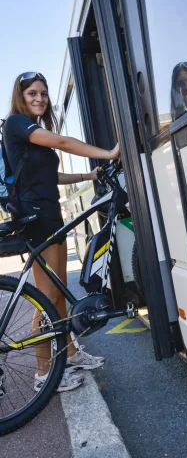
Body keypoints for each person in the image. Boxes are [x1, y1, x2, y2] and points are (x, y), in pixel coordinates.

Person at [2, 72, 120, 392]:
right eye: (32, 94)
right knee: (45, 299)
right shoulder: (16, 124)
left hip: (50, 215)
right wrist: (107, 153)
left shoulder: (33, 135)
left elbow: (53, 177)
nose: (40, 98)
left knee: (59, 292)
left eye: (43, 93)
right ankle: (43, 373)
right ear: (20, 97)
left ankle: (68, 353)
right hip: (36, 218)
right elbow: (63, 142)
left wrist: (89, 172)